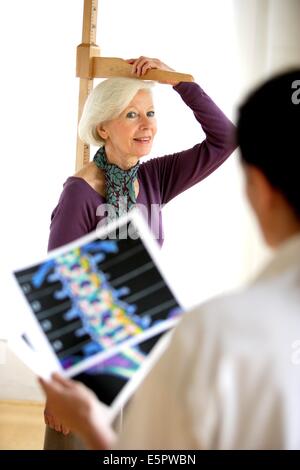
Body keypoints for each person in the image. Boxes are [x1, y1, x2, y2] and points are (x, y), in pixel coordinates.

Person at [40, 69, 300, 449]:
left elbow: (225, 139)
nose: (147, 125)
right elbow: (54, 291)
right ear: (102, 129)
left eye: (151, 113)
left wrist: (178, 81)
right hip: (87, 357)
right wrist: (55, 387)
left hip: (143, 345)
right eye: (131, 114)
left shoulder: (156, 176)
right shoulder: (79, 194)